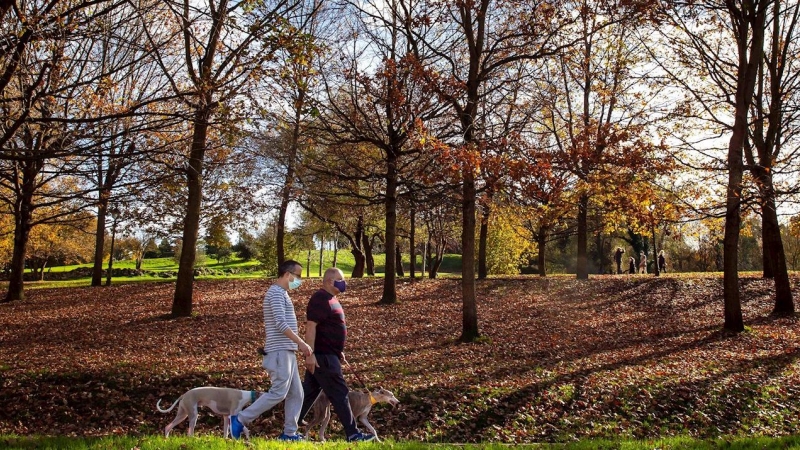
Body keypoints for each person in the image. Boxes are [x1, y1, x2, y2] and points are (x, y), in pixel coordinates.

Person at [230, 260, 312, 441]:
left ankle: (289, 433)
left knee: (297, 394)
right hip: (279, 351)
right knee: (279, 392)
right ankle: (240, 419)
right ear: (287, 274)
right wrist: (301, 343)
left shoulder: (283, 293)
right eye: (298, 275)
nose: (300, 280)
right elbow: (280, 323)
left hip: (287, 351)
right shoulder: (275, 293)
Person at [296, 268, 375, 442]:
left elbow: (330, 329)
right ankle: (353, 434)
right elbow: (311, 327)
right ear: (330, 282)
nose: (344, 283)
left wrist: (338, 351)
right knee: (340, 393)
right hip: (322, 357)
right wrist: (310, 354)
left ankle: (289, 429)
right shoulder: (320, 299)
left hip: (329, 355)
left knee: (308, 393)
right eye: (341, 279)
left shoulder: (332, 300)